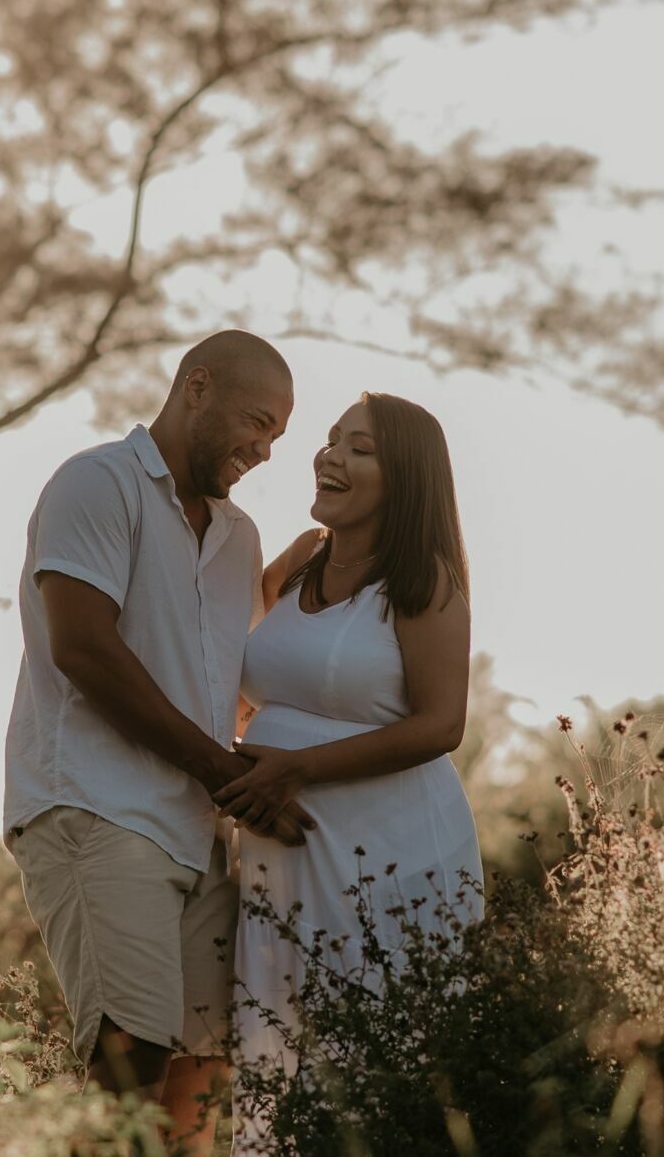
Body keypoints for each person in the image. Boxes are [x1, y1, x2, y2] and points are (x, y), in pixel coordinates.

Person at [2, 329, 313, 1154]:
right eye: (257, 422)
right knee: (126, 1070)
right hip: (95, 809)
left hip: (198, 835)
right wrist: (221, 771)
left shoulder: (239, 538)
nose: (265, 448)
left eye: (277, 436)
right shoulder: (97, 484)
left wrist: (308, 575)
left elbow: (229, 681)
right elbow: (85, 648)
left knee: (204, 1077)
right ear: (196, 385)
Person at [216, 391, 484, 1152]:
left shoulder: (422, 580)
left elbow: (442, 723)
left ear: (404, 479)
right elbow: (232, 659)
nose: (330, 454)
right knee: (279, 1055)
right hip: (285, 861)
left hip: (396, 862)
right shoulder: (302, 556)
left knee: (379, 1068)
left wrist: (293, 766)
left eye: (359, 448)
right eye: (332, 440)